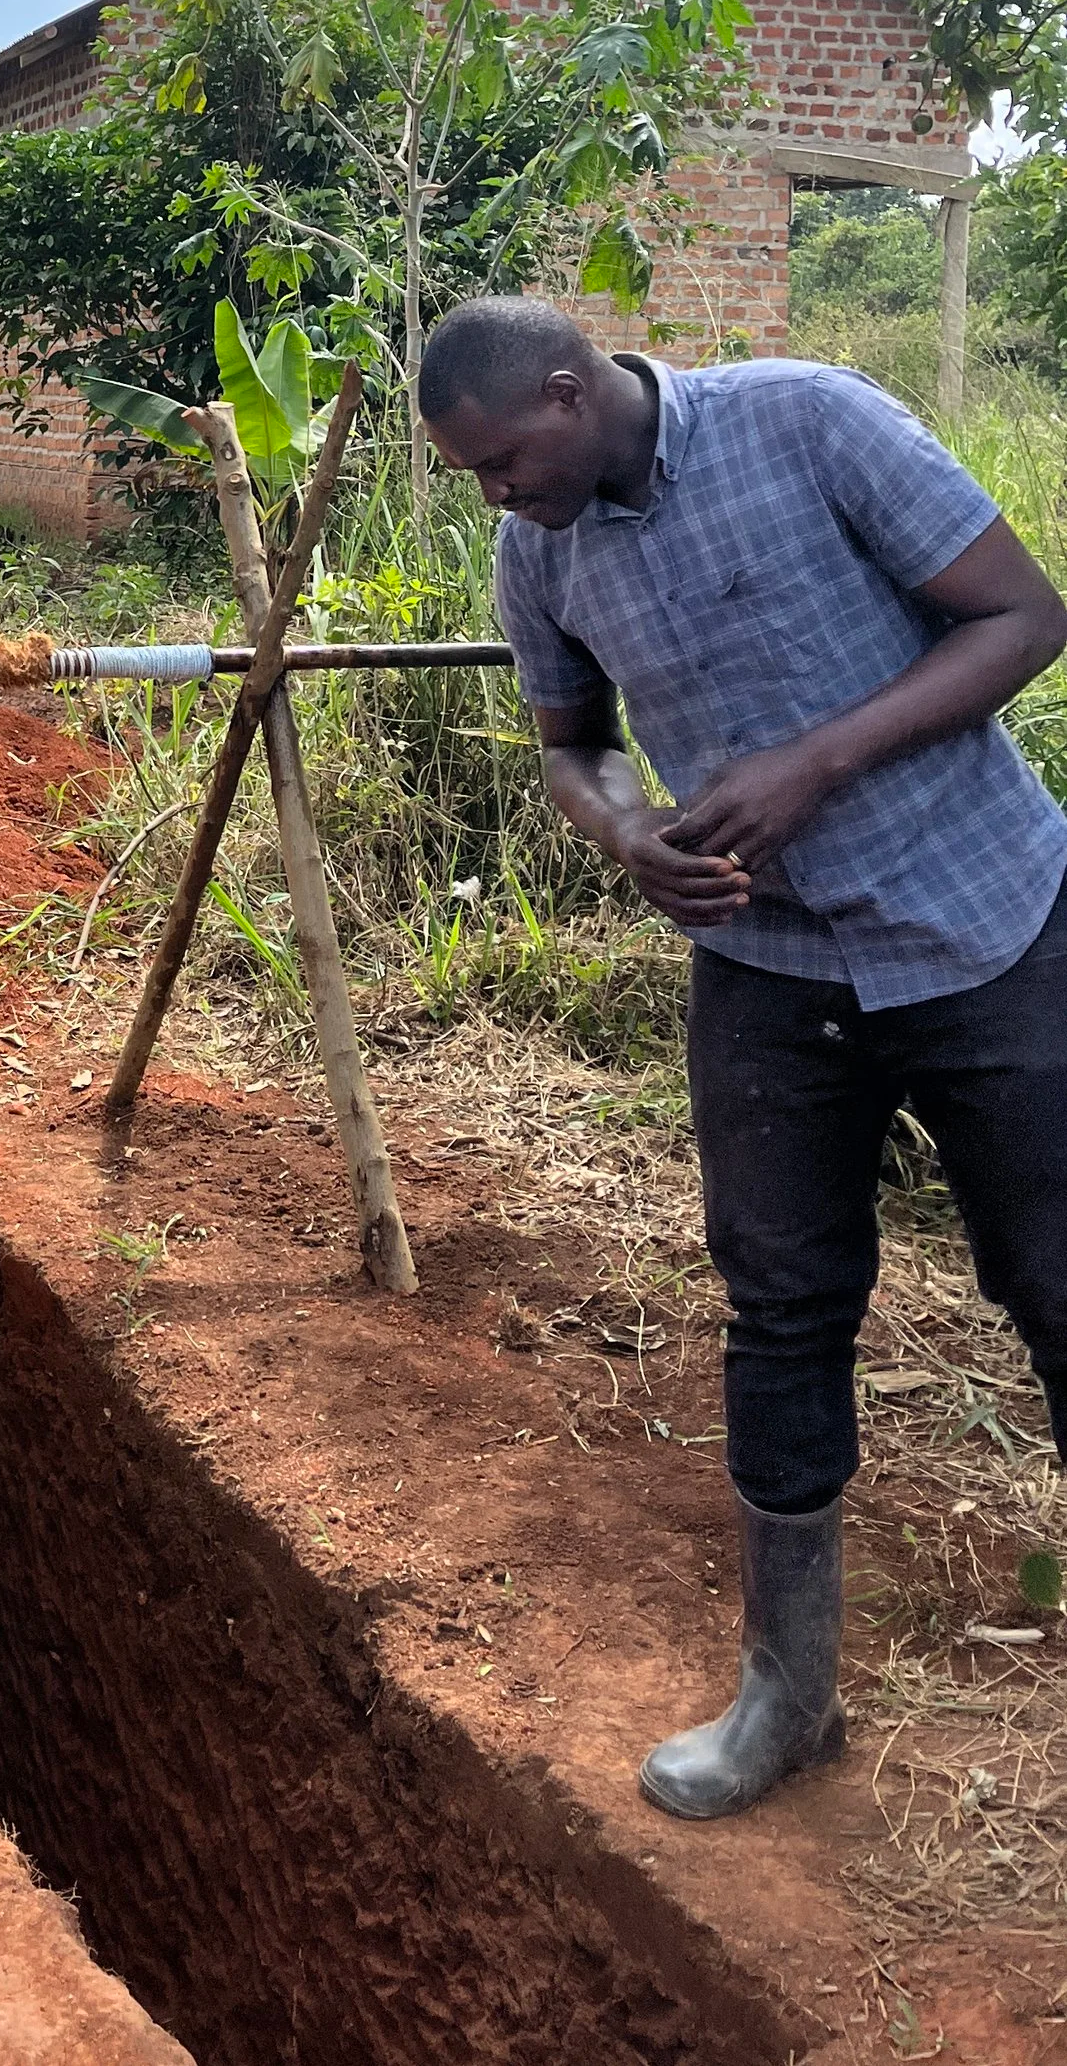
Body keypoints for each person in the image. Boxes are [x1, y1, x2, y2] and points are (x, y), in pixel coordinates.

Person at [419, 294, 1067, 1821]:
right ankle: (786, 1691)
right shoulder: (538, 548)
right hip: (769, 965)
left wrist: (812, 761)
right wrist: (624, 832)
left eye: (503, 460)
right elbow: (570, 744)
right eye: (472, 476)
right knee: (777, 1305)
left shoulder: (805, 419)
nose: (494, 494)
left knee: (1057, 1283)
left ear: (567, 391)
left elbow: (1021, 617)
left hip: (983, 921)